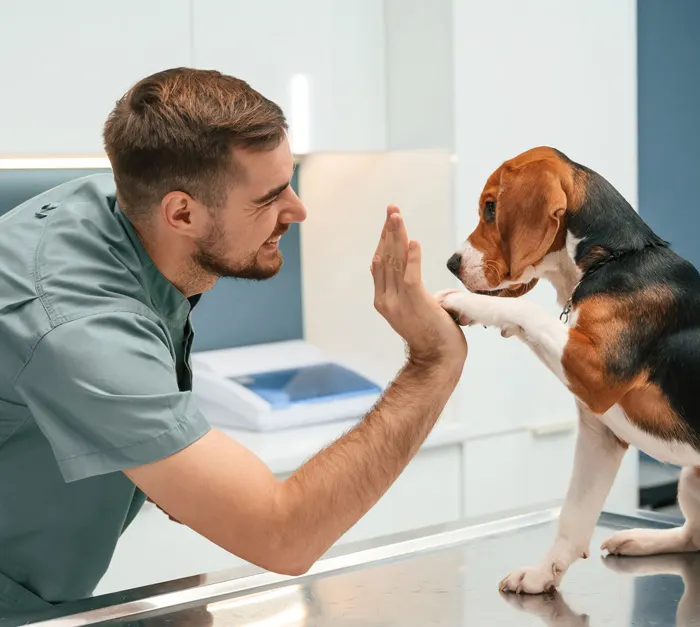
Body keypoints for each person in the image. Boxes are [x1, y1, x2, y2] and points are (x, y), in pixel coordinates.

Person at [0, 67, 467, 612]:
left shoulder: (129, 209)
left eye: (289, 181)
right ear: (183, 213)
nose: (297, 210)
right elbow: (283, 534)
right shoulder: (79, 324)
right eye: (268, 197)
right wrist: (433, 363)